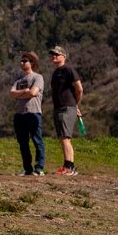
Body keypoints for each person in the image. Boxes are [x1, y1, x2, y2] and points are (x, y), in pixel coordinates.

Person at [9, 52, 45, 176]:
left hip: (33, 113)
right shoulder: (18, 80)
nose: (22, 63)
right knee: (23, 143)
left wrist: (20, 94)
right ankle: (27, 168)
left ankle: (39, 168)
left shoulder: (38, 77)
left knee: (37, 140)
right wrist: (25, 91)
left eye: (25, 61)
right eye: (22, 61)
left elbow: (33, 93)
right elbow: (11, 93)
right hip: (19, 114)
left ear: (32, 63)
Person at [49, 46, 83, 176]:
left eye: (57, 54)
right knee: (62, 137)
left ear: (64, 56)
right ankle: (66, 165)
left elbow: (79, 89)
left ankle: (70, 166)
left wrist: (75, 104)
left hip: (67, 107)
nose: (54, 56)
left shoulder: (68, 70)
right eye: (53, 54)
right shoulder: (56, 72)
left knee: (65, 137)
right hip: (58, 107)